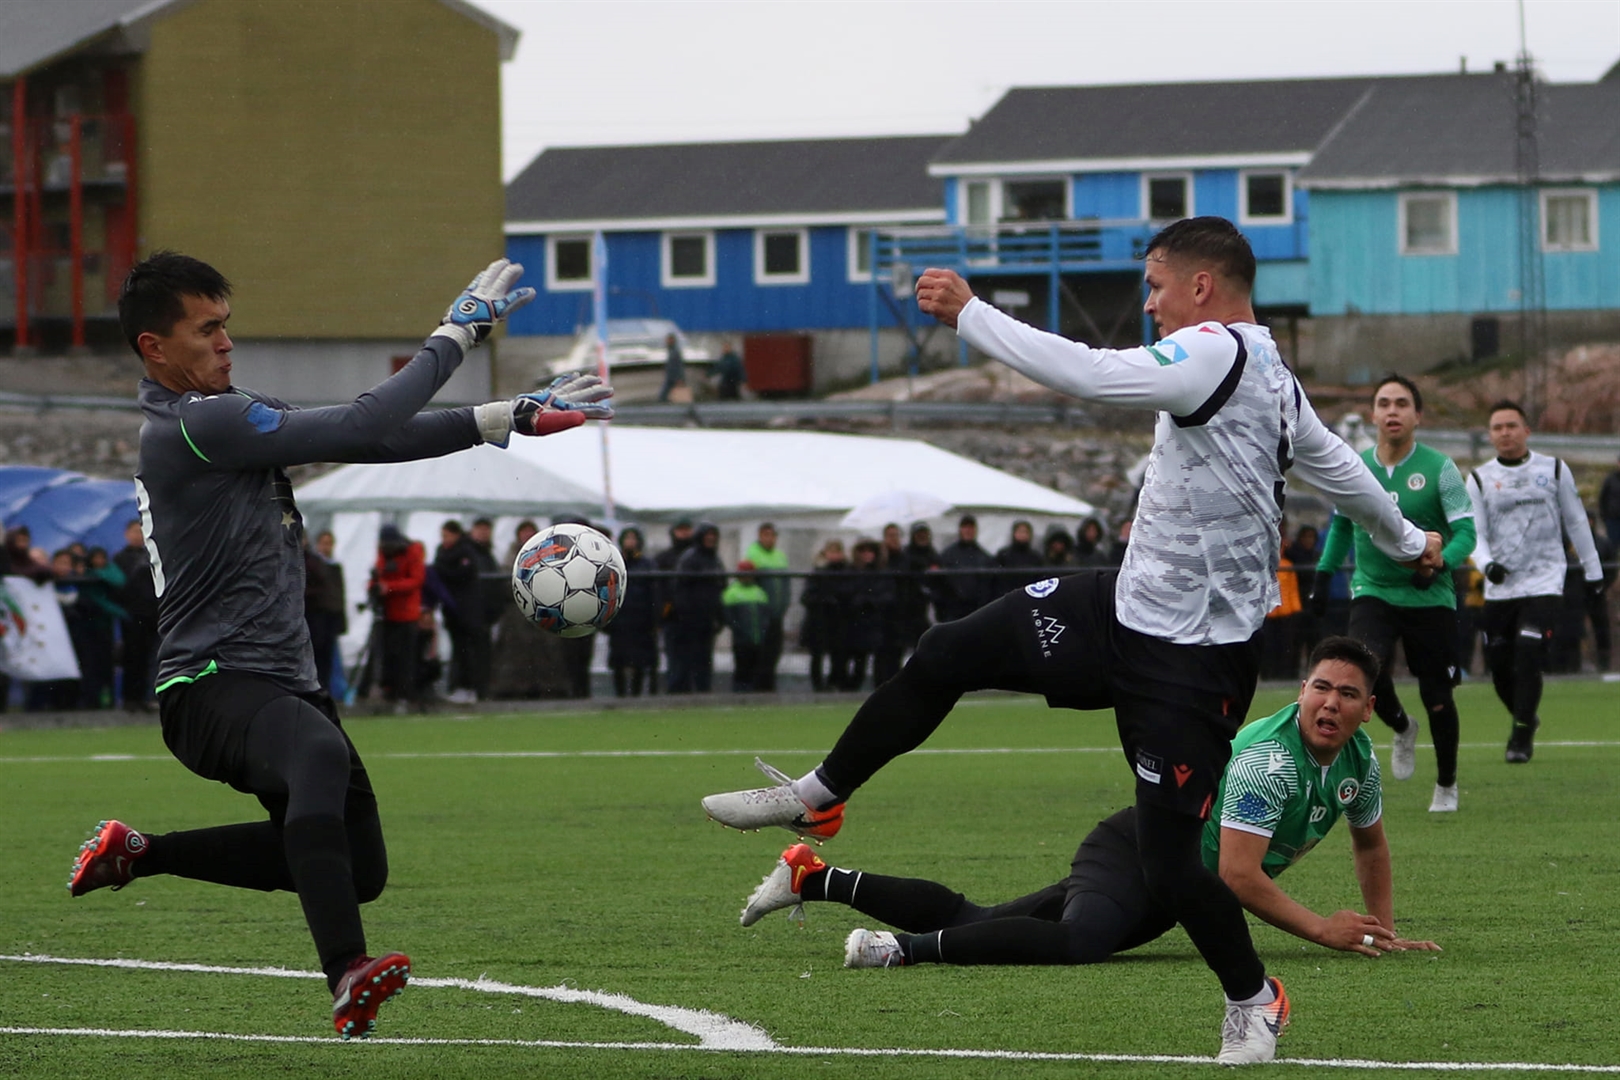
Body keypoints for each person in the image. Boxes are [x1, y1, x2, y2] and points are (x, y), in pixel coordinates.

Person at [702, 217, 1439, 1065]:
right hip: (1120, 609)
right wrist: (1401, 537)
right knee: (946, 653)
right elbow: (1342, 469)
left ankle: (1253, 997)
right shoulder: (1269, 372)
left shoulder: (1215, 352)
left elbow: (1091, 374)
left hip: (1190, 660)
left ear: (1203, 287)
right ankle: (820, 795)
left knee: (1167, 865)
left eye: (1157, 285)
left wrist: (972, 313)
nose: (1150, 302)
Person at [65, 253, 610, 1039]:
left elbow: (371, 440)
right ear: (154, 348)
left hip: (279, 684)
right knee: (319, 762)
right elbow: (363, 422)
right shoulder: (197, 421)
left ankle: (139, 854)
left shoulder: (225, 415)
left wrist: (502, 421)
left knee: (361, 870)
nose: (227, 343)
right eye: (207, 329)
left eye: (227, 326)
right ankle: (346, 974)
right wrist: (454, 335)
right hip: (211, 684)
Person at [740, 638, 1439, 974]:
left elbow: (1370, 845)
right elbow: (1239, 876)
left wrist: (1383, 928)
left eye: (1347, 695)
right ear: (1302, 690)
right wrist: (1323, 930)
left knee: (985, 921)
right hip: (1138, 853)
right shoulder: (1269, 759)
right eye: (1321, 687)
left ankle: (814, 876)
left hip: (1169, 885)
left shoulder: (1357, 763)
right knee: (1078, 943)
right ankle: (898, 952)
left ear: (1368, 709)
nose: (1330, 703)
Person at [1308, 374, 1475, 812]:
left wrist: (1441, 563)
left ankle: (1446, 784)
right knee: (1362, 668)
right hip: (1373, 589)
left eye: (1402, 403)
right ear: (1373, 414)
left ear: (1417, 415)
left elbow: (1466, 532)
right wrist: (1324, 577)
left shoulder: (1441, 469)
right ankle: (1401, 727)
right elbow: (1343, 524)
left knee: (1438, 695)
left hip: (1428, 595)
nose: (1392, 411)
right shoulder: (1354, 465)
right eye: (1384, 403)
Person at [1467, 401, 1605, 762]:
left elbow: (1576, 521)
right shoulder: (1479, 478)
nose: (1505, 433)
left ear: (1526, 431)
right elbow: (1474, 533)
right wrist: (1486, 564)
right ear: (1490, 435)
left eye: (1512, 425)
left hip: (1545, 580)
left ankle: (1521, 738)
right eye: (1497, 427)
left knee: (1528, 651)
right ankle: (1526, 714)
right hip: (1501, 585)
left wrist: (1594, 572)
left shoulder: (1554, 469)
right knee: (1498, 666)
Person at [432, 519, 489, 705]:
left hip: (466, 611)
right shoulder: (442, 551)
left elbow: (461, 574)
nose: (444, 540)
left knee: (468, 651)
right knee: (459, 651)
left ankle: (470, 688)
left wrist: (441, 571)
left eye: (447, 535)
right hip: (451, 611)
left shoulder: (465, 551)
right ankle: (459, 687)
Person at [373, 525, 426, 710]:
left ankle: (406, 694)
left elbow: (416, 580)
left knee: (406, 657)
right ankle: (390, 691)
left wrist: (389, 587)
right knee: (390, 656)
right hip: (388, 614)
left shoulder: (413, 551)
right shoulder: (385, 553)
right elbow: (378, 574)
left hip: (407, 614)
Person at [670, 522, 724, 693]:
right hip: (690, 621)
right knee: (685, 660)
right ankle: (682, 694)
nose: (710, 539)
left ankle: (703, 691)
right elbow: (681, 589)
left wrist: (720, 617)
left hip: (707, 620)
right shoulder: (690, 558)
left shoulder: (715, 560)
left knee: (705, 660)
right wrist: (686, 614)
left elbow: (722, 588)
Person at [605, 526, 659, 697]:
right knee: (619, 662)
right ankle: (620, 696)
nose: (630, 542)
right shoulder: (614, 563)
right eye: (627, 538)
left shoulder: (647, 565)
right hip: (619, 621)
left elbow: (655, 593)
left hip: (641, 622)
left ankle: (636, 696)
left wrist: (655, 619)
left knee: (640, 663)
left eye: (633, 538)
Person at [115, 519, 161, 712]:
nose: (138, 535)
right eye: (134, 531)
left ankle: (148, 697)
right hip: (133, 616)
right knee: (133, 657)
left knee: (154, 658)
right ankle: (130, 698)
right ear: (127, 534)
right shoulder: (120, 559)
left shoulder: (153, 555)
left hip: (154, 615)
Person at [843, 538, 898, 692]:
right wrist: (862, 601)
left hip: (877, 623)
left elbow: (889, 595)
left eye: (870, 551)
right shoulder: (851, 572)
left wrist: (872, 601)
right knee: (858, 660)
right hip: (857, 623)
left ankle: (879, 689)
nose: (867, 555)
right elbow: (848, 595)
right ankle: (851, 690)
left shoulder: (882, 573)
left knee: (880, 661)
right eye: (864, 551)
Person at [800, 539, 853, 692]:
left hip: (839, 623)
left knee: (839, 656)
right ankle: (818, 686)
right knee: (817, 655)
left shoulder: (847, 572)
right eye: (831, 551)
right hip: (819, 623)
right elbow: (806, 597)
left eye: (837, 551)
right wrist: (825, 600)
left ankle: (834, 683)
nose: (834, 555)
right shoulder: (817, 573)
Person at [744, 522, 790, 692]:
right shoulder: (753, 555)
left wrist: (784, 605)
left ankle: (769, 687)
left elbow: (786, 586)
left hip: (777, 615)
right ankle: (758, 689)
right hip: (762, 615)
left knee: (773, 652)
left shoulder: (780, 556)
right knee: (761, 654)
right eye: (765, 535)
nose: (769, 539)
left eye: (772, 535)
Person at [303, 529, 347, 695]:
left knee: (327, 655)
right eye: (324, 543)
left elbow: (339, 595)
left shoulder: (334, 565)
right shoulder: (313, 563)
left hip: (330, 617)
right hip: (316, 617)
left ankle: (326, 688)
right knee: (317, 653)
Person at [654, 518, 696, 692]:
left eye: (687, 529)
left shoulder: (698, 556)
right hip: (672, 617)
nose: (684, 533)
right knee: (674, 659)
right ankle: (675, 692)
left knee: (693, 659)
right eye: (681, 529)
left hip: (693, 617)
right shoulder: (663, 558)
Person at [934, 514, 996, 622]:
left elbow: (988, 585)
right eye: (965, 527)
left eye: (971, 528)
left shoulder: (984, 556)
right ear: (960, 530)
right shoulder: (948, 555)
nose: (968, 531)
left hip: (976, 610)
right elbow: (940, 585)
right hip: (953, 611)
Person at [723, 560, 772, 691]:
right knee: (742, 668)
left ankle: (753, 694)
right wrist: (740, 630)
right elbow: (729, 618)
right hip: (741, 640)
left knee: (756, 668)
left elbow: (765, 616)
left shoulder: (759, 592)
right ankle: (740, 693)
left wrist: (763, 630)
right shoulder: (731, 592)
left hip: (758, 638)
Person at [995, 519, 1046, 593]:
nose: (1022, 535)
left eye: (1025, 532)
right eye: (1020, 532)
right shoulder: (1003, 555)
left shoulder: (1036, 557)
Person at [1599, 452, 1620, 550]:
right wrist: (1604, 516)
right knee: (1612, 546)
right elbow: (1603, 498)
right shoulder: (1610, 479)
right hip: (1613, 520)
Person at [658, 331, 685, 403]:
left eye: (669, 339)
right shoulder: (670, 351)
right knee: (664, 395)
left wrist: (680, 378)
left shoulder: (675, 352)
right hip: (670, 377)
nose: (667, 341)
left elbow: (678, 365)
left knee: (663, 395)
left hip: (673, 378)